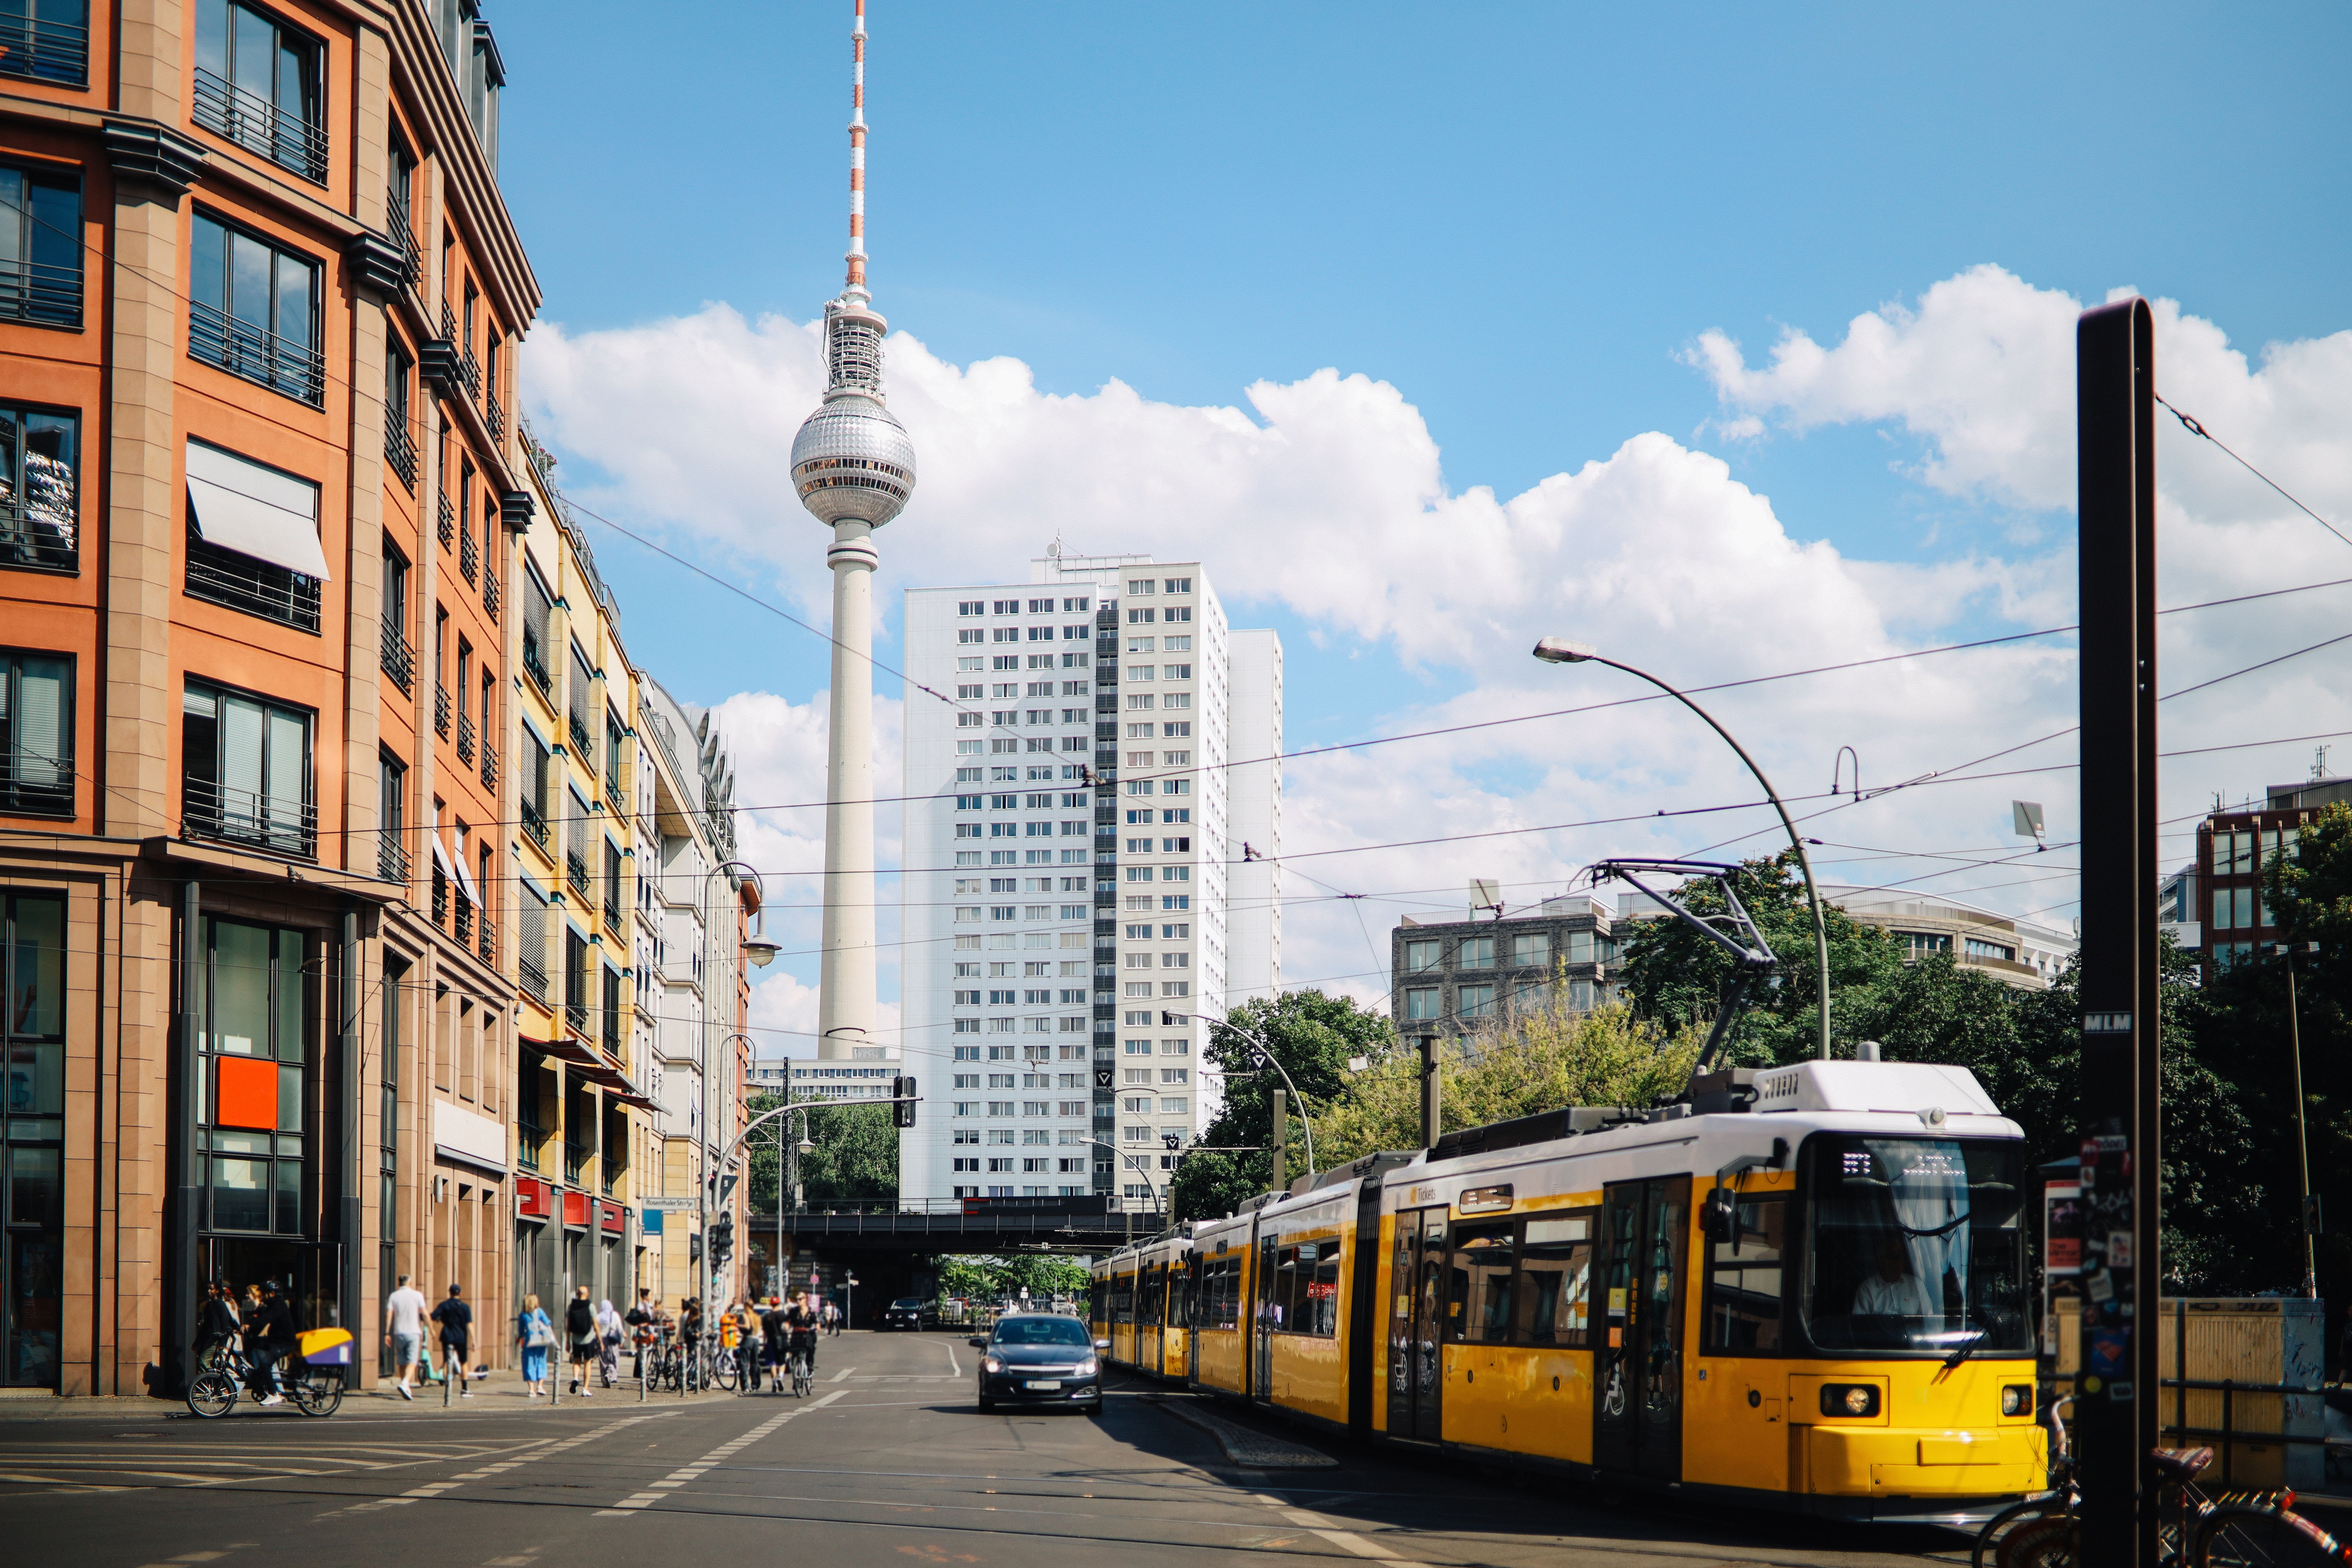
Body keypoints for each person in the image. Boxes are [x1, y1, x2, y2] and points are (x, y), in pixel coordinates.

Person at [244, 1278, 295, 1406]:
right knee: (253, 1342)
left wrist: (249, 1326)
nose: (263, 1297)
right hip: (276, 1341)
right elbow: (261, 1318)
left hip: (284, 1344)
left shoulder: (279, 1305)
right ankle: (259, 1375)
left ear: (272, 1294)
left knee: (266, 1364)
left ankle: (274, 1394)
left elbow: (265, 1320)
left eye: (265, 1294)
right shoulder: (272, 1305)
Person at [1851, 1234, 1920, 1317]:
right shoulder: (1867, 1289)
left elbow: (1931, 1322)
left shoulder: (1916, 1286)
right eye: (1893, 1257)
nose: (1897, 1262)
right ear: (1881, 1260)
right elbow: (1859, 1325)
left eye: (1899, 1256)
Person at [384, 1274, 428, 1401]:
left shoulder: (394, 1296)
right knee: (413, 1362)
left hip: (399, 1333)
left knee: (403, 1362)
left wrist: (386, 1333)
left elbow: (389, 1314)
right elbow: (425, 1313)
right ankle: (404, 1384)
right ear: (410, 1283)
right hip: (413, 1333)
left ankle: (406, 1388)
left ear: (399, 1284)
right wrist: (431, 1329)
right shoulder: (417, 1295)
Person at [431, 1283, 475, 1397]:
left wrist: (435, 1322)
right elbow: (470, 1324)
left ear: (450, 1293)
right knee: (464, 1362)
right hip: (461, 1337)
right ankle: (465, 1389)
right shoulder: (465, 1307)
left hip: (447, 1336)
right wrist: (474, 1340)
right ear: (460, 1293)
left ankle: (448, 1387)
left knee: (447, 1361)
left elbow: (434, 1316)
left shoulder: (444, 1305)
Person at [516, 1293, 554, 1398]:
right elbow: (547, 1323)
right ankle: (540, 1386)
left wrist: (519, 1338)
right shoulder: (540, 1312)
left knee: (529, 1364)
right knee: (541, 1362)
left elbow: (520, 1331)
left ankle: (531, 1390)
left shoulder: (523, 1315)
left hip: (529, 1342)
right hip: (541, 1341)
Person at [198, 1279, 242, 1367]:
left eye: (212, 1289)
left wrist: (222, 1342)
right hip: (214, 1337)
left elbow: (225, 1321)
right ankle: (213, 1378)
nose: (209, 1291)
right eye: (208, 1289)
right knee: (220, 1362)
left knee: (207, 1362)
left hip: (218, 1338)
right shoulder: (211, 1305)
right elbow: (207, 1324)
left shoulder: (222, 1304)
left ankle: (213, 1379)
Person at [782, 1289, 820, 1384]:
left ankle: (810, 1365)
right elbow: (788, 1322)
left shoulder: (811, 1312)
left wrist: (817, 1327)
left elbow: (817, 1323)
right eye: (797, 1299)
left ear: (806, 1300)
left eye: (800, 1299)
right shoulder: (793, 1311)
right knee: (793, 1350)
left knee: (810, 1348)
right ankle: (796, 1370)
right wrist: (785, 1327)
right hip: (796, 1334)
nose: (798, 1301)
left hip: (807, 1334)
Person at [565, 1286, 597, 1396]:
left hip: (576, 1339)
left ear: (577, 1295)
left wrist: (568, 1342)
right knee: (588, 1362)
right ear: (587, 1295)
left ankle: (575, 1378)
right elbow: (596, 1325)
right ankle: (585, 1389)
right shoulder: (591, 1307)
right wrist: (601, 1341)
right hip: (589, 1339)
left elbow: (568, 1326)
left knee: (577, 1361)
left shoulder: (571, 1307)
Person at [760, 1296, 790, 1394]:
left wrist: (764, 1343)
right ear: (779, 1304)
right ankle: (780, 1377)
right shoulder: (783, 1316)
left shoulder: (767, 1316)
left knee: (773, 1364)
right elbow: (787, 1328)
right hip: (782, 1341)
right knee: (782, 1362)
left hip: (770, 1341)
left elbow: (764, 1332)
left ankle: (774, 1383)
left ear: (771, 1305)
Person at [625, 1290, 656, 1382]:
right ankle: (644, 1377)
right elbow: (645, 1317)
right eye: (650, 1295)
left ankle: (645, 1376)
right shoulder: (641, 1305)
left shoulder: (649, 1305)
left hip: (649, 1330)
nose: (651, 1296)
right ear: (645, 1296)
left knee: (647, 1356)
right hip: (643, 1331)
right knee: (643, 1357)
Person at [734, 1298, 763, 1392]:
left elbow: (747, 1326)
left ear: (746, 1306)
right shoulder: (757, 1316)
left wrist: (738, 1325)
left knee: (744, 1363)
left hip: (748, 1339)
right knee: (755, 1363)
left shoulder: (746, 1315)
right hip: (756, 1340)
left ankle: (746, 1386)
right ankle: (754, 1385)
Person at [595, 1298, 624, 1389]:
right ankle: (610, 1376)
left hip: (602, 1341)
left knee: (603, 1361)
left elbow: (595, 1330)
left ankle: (605, 1380)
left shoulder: (599, 1317)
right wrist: (622, 1341)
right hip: (613, 1341)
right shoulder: (615, 1315)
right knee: (613, 1360)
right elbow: (620, 1329)